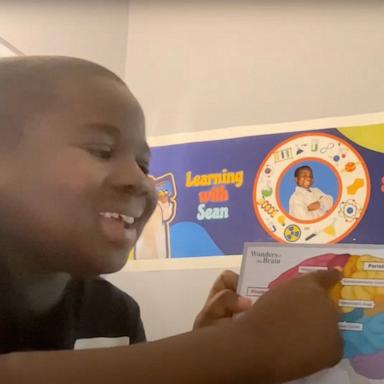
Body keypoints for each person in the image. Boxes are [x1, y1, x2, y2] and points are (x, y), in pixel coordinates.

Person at [0, 56, 342, 383]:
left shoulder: (113, 313)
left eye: (144, 165)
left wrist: (203, 364)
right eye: (102, 150)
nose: (140, 180)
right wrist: (241, 350)